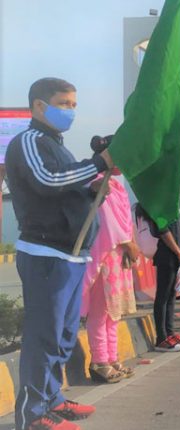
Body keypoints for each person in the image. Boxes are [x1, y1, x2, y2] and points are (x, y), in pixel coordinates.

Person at [6, 77, 113, 429]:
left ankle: (52, 399)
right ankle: (32, 415)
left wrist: (91, 189)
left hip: (71, 255)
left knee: (63, 335)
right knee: (44, 336)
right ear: (39, 106)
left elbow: (66, 186)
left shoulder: (56, 145)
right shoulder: (29, 141)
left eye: (74, 105)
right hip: (45, 253)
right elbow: (48, 180)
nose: (71, 111)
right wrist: (98, 163)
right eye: (64, 104)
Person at [80, 139, 138, 384]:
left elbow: (124, 220)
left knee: (114, 312)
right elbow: (106, 222)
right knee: (100, 311)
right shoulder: (96, 182)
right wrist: (128, 244)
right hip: (104, 256)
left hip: (118, 257)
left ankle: (113, 358)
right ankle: (99, 361)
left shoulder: (117, 185)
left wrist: (129, 245)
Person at [138, 203, 180, 353]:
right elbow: (163, 231)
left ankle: (170, 333)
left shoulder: (172, 202)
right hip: (166, 254)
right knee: (163, 295)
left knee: (171, 295)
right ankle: (161, 338)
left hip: (177, 254)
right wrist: (179, 253)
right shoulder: (160, 204)